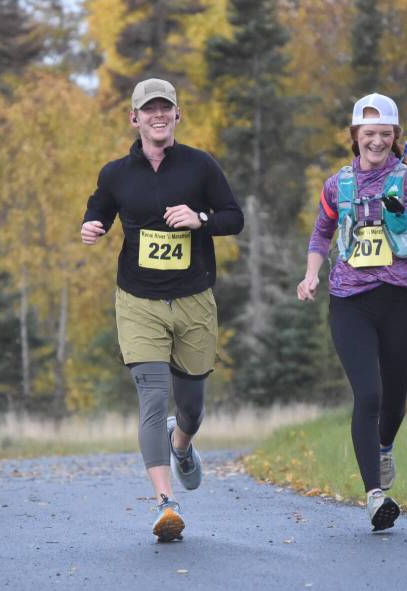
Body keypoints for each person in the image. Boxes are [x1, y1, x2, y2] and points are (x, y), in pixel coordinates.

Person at [80, 78, 244, 541]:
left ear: (177, 115)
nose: (157, 115)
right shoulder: (116, 173)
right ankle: (165, 503)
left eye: (165, 108)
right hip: (138, 302)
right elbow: (100, 209)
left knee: (190, 407)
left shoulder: (200, 166)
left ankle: (183, 444)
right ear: (134, 118)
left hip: (193, 299)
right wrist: (92, 226)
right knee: (152, 399)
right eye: (148, 109)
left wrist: (201, 219)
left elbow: (234, 217)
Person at [296, 93, 407, 531]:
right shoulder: (337, 185)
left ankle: (384, 447)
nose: (376, 142)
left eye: (384, 135)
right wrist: (312, 273)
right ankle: (375, 496)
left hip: (399, 301)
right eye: (368, 134)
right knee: (367, 395)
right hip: (349, 301)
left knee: (394, 402)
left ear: (395, 138)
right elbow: (321, 234)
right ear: (355, 136)